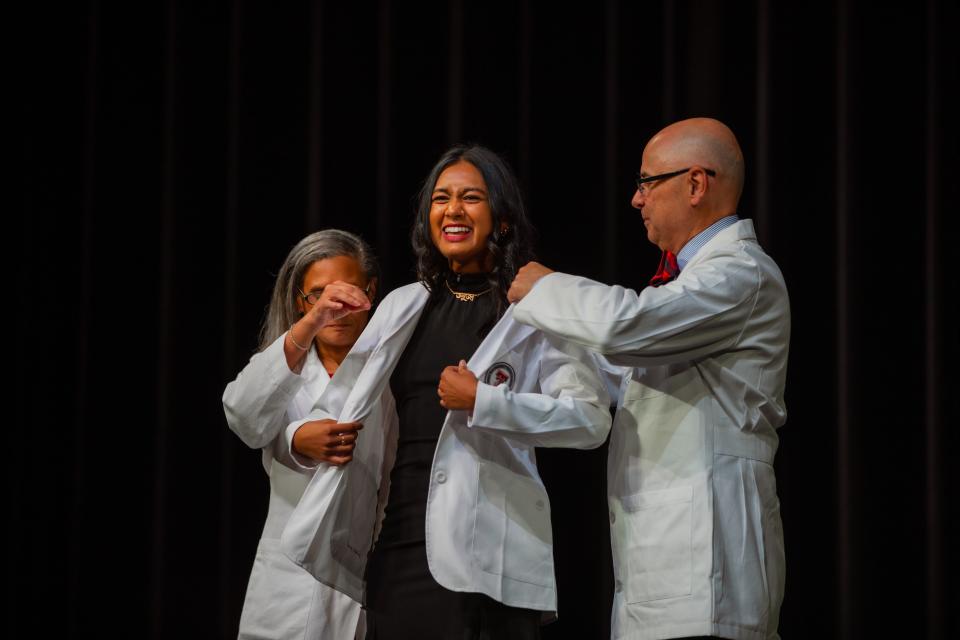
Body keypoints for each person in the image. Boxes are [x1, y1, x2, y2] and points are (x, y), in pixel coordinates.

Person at [279, 145, 612, 640]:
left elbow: (589, 421)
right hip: (398, 548)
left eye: (471, 197)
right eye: (441, 198)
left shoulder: (535, 308)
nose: (452, 210)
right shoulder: (402, 305)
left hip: (489, 555)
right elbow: (336, 403)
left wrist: (485, 402)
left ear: (501, 220)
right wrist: (295, 435)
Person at [507, 118, 789, 640]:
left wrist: (545, 287)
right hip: (665, 568)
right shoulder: (690, 288)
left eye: (646, 182)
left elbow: (626, 324)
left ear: (696, 184)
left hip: (711, 569)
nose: (637, 200)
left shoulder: (741, 274)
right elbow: (620, 365)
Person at [222, 229, 379, 640]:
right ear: (300, 301)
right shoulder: (282, 366)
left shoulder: (390, 369)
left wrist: (287, 440)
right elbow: (243, 415)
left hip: (371, 578)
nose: (336, 308)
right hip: (288, 587)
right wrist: (293, 439)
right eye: (319, 296)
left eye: (346, 294)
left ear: (370, 292)